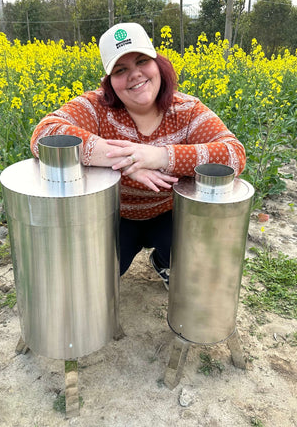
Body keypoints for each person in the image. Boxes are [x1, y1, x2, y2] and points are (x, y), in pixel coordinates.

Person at [30, 22, 246, 289]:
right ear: (109, 82)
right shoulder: (96, 108)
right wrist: (128, 161)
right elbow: (44, 135)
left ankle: (162, 260)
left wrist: (160, 157)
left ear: (159, 65)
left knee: (197, 262)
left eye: (142, 61)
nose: (134, 75)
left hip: (171, 213)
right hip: (113, 215)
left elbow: (233, 155)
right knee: (94, 281)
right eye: (121, 70)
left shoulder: (187, 110)